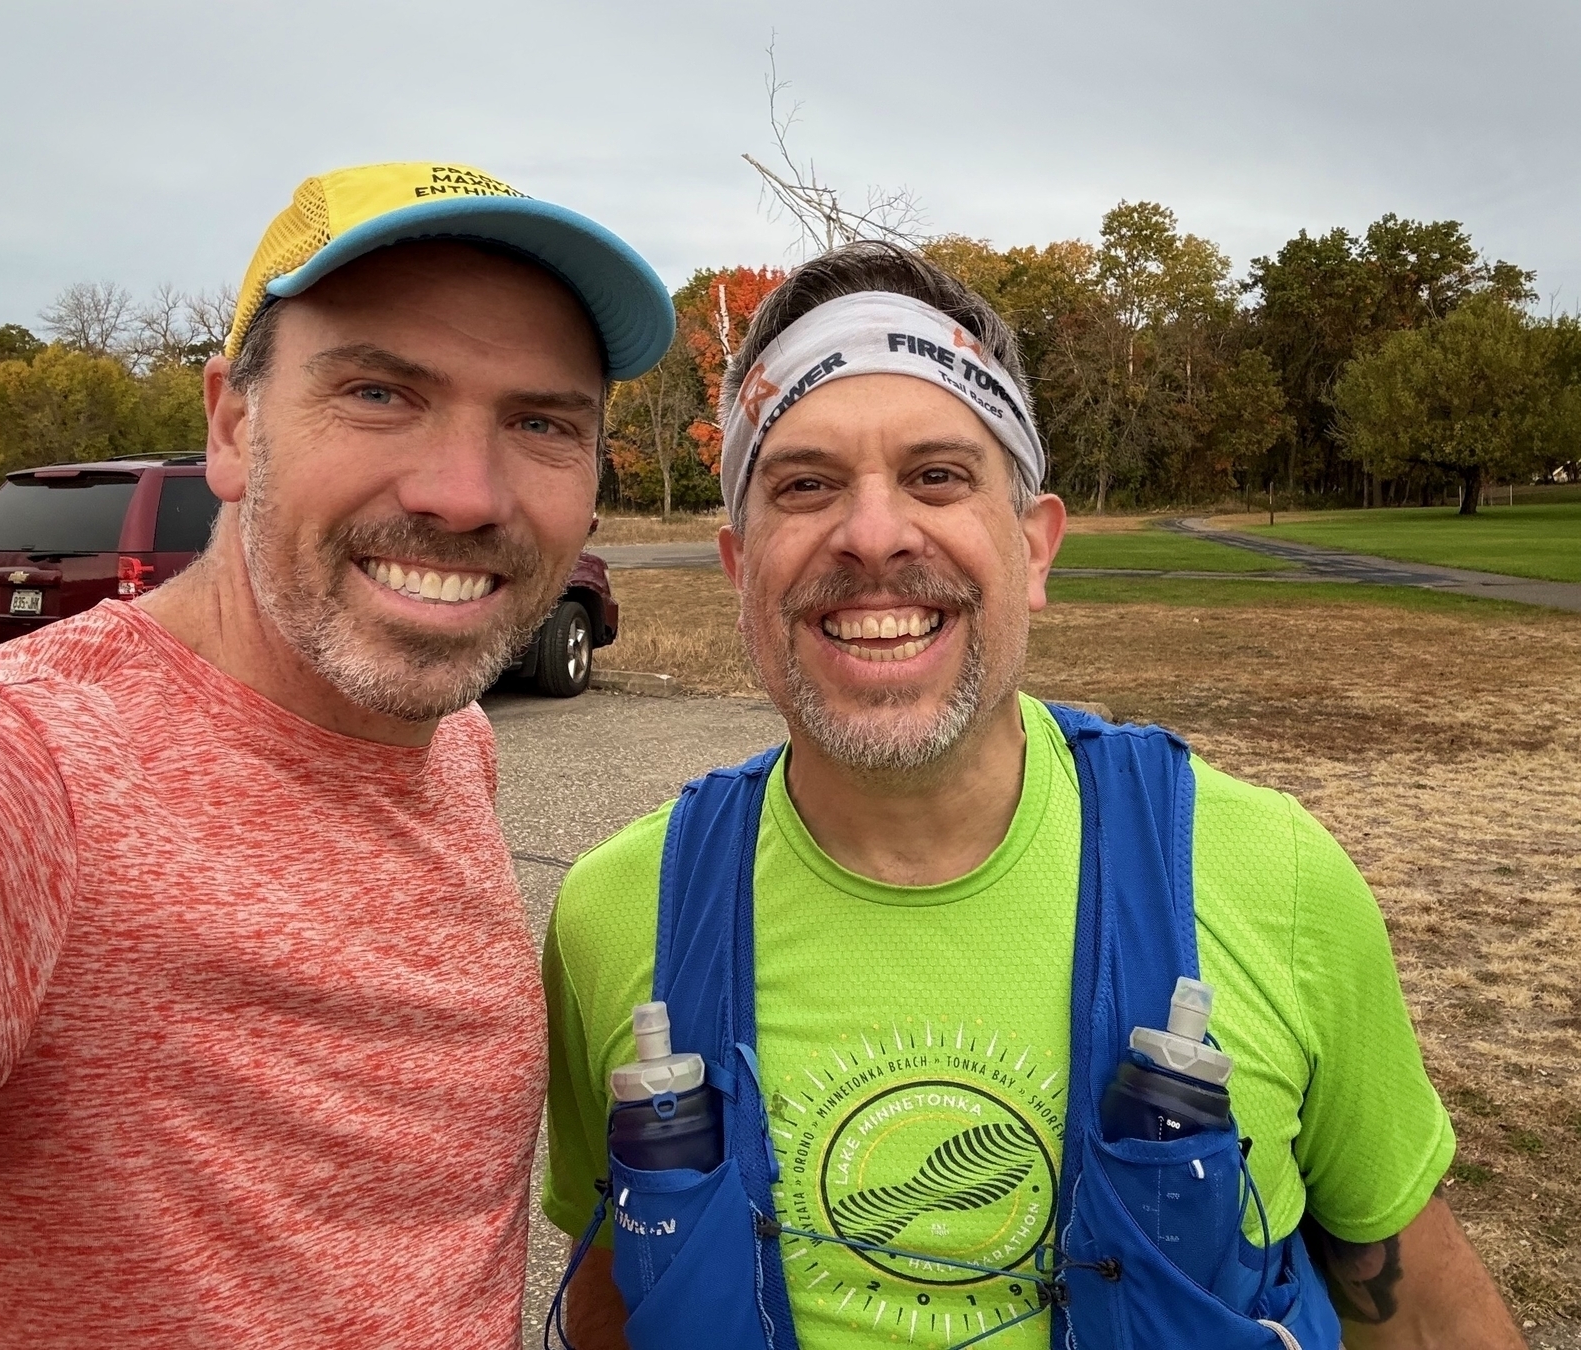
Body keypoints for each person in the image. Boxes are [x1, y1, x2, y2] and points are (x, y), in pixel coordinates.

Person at [542, 242, 1525, 1350]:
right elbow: (611, 1292)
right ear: (738, 566)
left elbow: (1425, 1308)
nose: (874, 535)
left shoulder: (1269, 878)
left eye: (939, 475)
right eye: (806, 485)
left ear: (1036, 548)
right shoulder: (615, 917)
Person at [0, 160, 673, 1349]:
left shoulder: (453, 746)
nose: (465, 494)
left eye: (541, 422)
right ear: (232, 423)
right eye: (379, 393)